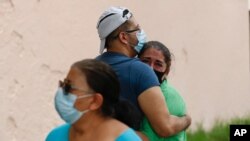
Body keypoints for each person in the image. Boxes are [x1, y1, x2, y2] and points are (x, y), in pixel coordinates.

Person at [95, 6, 191, 139]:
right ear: (123, 37)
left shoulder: (91, 67)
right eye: (137, 29)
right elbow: (165, 128)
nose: (140, 33)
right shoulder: (140, 71)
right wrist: (187, 120)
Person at [46, 59, 142, 141]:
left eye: (69, 87)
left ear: (95, 101)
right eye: (62, 84)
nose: (61, 92)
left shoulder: (126, 139)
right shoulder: (55, 136)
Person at [138, 41, 189, 141]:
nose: (150, 68)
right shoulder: (144, 91)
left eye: (158, 64)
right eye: (145, 61)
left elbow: (150, 138)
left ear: (167, 70)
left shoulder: (169, 96)